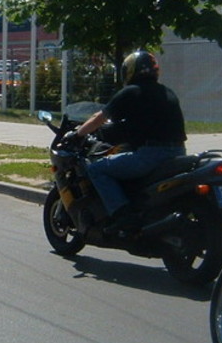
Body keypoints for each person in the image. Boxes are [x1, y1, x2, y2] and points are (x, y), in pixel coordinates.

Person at [71, 50, 187, 232]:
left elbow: (99, 118)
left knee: (97, 169)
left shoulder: (131, 92)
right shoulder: (167, 92)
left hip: (151, 156)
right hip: (179, 153)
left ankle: (122, 214)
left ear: (130, 71)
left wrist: (78, 134)